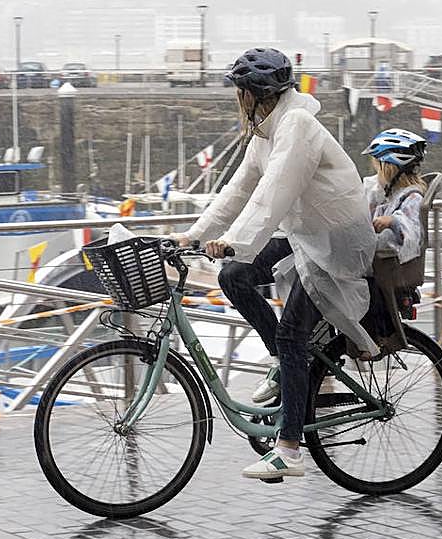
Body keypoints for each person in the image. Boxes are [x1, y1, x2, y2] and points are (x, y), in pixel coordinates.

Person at [173, 48, 377, 480]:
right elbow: (238, 190)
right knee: (235, 276)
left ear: (252, 94)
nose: (236, 99)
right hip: (307, 238)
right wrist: (193, 235)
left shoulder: (297, 126)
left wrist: (233, 240)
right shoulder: (267, 132)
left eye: (238, 91)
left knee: (292, 333)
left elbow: (273, 195)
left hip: (338, 245)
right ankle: (287, 364)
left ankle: (289, 448)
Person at [362, 128, 427, 263]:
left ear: (388, 167)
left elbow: (413, 231)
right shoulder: (387, 194)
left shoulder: (413, 197)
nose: (376, 174)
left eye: (378, 168)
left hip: (390, 268)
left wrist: (392, 221)